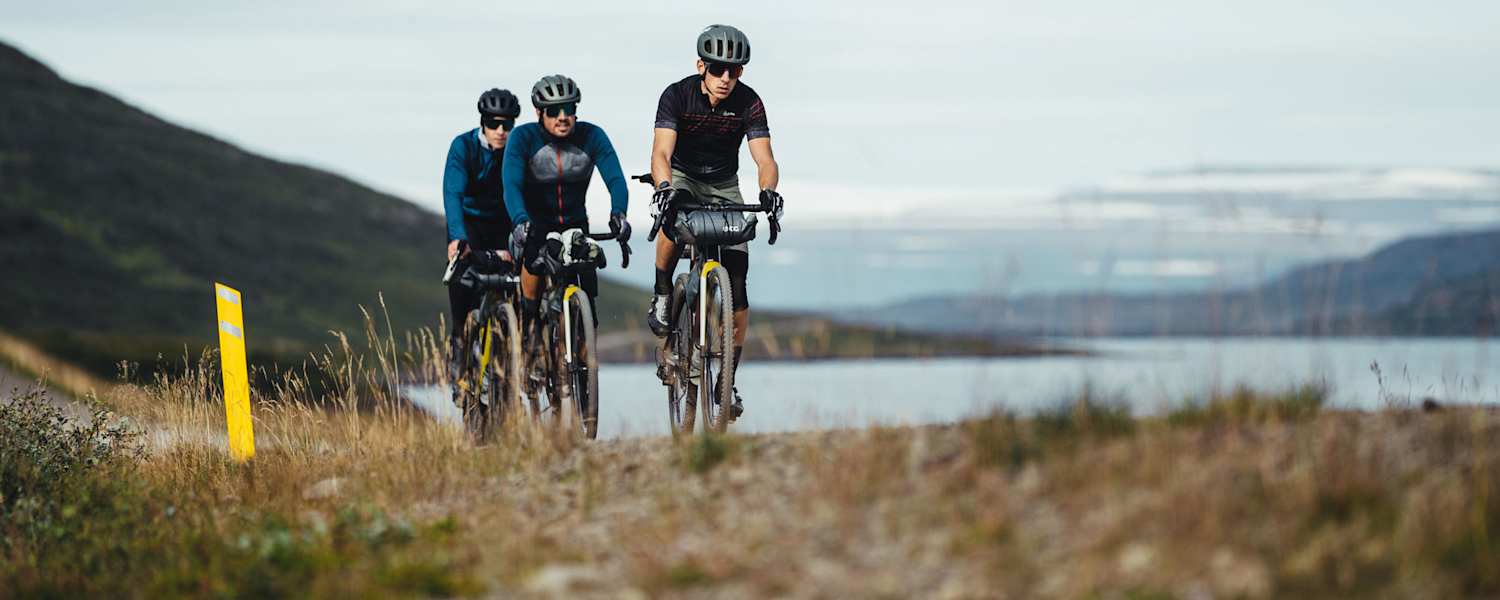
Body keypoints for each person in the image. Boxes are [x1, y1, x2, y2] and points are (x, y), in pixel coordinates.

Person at [646, 24, 784, 419]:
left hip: (725, 185)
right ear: (701, 66)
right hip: (684, 177)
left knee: (737, 288)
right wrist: (664, 187)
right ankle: (662, 292)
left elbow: (765, 158)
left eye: (734, 70)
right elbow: (661, 153)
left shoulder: (749, 102)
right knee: (673, 218)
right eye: (718, 69)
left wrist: (768, 190)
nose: (726, 78)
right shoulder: (676, 95)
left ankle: (727, 381)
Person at [501, 74, 630, 339]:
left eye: (568, 109)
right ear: (539, 112)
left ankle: (584, 352)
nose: (562, 117)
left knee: (586, 297)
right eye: (553, 111)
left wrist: (619, 213)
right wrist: (519, 220)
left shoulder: (592, 135)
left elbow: (616, 179)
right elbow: (511, 185)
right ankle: (530, 330)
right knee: (533, 269)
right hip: (535, 224)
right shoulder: (523, 138)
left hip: (576, 224)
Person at [443, 88, 521, 346]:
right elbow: (453, 194)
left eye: (507, 125)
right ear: (482, 122)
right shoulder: (463, 146)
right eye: (493, 123)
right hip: (469, 223)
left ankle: (512, 351)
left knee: (516, 284)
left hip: (503, 224)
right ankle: (459, 344)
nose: (500, 131)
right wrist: (457, 238)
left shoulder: (517, 151)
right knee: (462, 281)